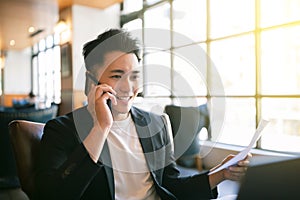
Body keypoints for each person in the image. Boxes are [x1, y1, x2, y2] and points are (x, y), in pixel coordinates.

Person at [35, 29, 250, 200]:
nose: (129, 88)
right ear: (92, 81)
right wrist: (100, 128)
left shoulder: (155, 124)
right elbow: (53, 195)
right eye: (117, 76)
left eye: (134, 76)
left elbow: (171, 186)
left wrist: (222, 174)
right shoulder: (62, 130)